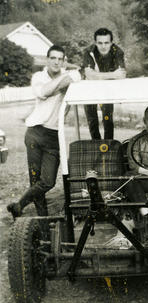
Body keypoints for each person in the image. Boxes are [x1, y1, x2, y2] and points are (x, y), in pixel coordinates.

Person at [7, 45, 81, 220]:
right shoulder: (39, 76)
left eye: (60, 59)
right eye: (53, 58)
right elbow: (43, 92)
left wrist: (65, 80)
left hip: (55, 135)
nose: (56, 62)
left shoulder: (69, 77)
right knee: (35, 180)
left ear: (64, 61)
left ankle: (19, 205)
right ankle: (43, 227)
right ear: (47, 60)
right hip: (35, 133)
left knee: (47, 182)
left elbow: (76, 79)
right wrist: (65, 79)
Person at [82, 28, 126, 139]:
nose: (103, 46)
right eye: (100, 43)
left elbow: (121, 75)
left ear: (111, 43)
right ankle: (97, 148)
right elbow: (89, 75)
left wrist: (97, 76)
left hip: (108, 88)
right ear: (95, 43)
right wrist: (112, 75)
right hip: (90, 88)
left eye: (106, 42)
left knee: (108, 120)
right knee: (92, 121)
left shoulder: (117, 51)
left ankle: (109, 150)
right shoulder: (89, 51)